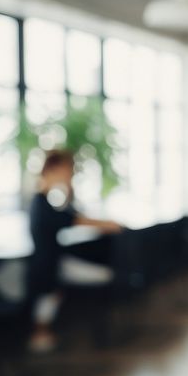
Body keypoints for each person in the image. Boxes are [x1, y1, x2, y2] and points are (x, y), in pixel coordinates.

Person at [26, 149, 122, 353]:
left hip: (53, 263)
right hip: (49, 266)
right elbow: (74, 219)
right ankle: (42, 334)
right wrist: (108, 224)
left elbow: (70, 215)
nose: (70, 174)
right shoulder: (42, 203)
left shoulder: (46, 201)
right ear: (54, 169)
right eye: (68, 170)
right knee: (106, 276)